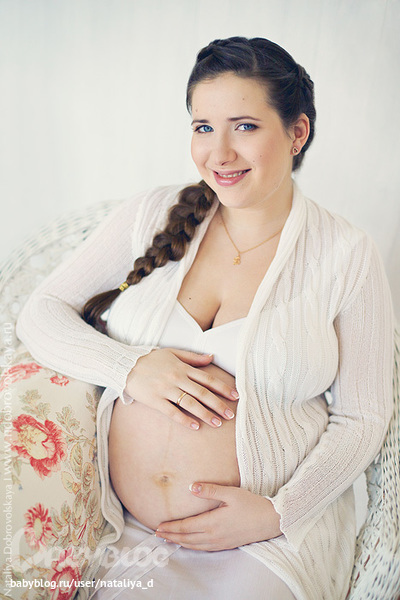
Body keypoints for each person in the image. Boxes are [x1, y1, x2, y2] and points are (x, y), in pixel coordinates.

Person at [16, 36, 394, 600]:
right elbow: (40, 313)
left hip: (266, 543)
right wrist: (130, 368)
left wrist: (278, 512)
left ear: (297, 132)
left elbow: (364, 417)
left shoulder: (346, 254)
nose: (219, 153)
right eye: (202, 127)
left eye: (245, 127)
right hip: (125, 530)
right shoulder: (152, 213)